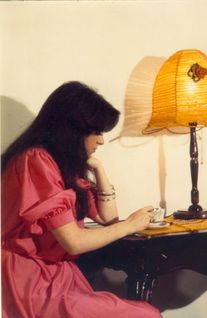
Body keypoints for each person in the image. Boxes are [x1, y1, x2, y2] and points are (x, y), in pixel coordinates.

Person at [1, 81, 162, 318]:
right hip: (30, 278)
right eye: (97, 132)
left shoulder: (58, 165)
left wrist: (99, 169)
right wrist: (130, 225)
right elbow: (74, 242)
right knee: (144, 315)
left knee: (144, 312)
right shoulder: (35, 160)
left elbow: (108, 217)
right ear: (73, 130)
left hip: (57, 275)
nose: (101, 141)